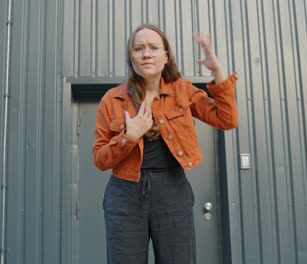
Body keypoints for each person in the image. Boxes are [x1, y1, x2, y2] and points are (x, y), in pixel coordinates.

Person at [92, 24, 238, 264]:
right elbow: (99, 158)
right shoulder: (112, 99)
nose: (146, 53)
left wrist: (218, 70)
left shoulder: (182, 90)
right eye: (139, 48)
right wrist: (128, 137)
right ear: (132, 57)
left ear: (166, 55)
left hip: (173, 191)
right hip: (125, 195)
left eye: (153, 47)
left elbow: (227, 119)